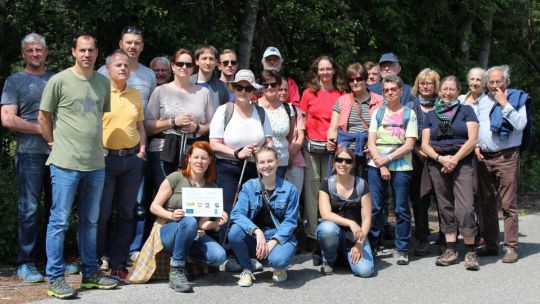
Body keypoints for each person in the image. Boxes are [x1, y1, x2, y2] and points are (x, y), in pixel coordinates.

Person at [38, 34, 117, 299]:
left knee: (90, 222)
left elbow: (99, 117)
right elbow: (43, 116)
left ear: (97, 53)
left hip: (95, 163)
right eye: (82, 50)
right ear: (73, 52)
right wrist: (51, 141)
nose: (87, 54)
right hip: (64, 163)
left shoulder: (103, 82)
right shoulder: (58, 80)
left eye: (91, 50)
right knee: (59, 222)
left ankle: (91, 274)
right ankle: (56, 279)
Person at [128, 141, 227, 292]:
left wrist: (217, 223)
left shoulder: (211, 188)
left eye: (204, 158)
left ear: (210, 160)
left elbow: (201, 225)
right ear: (189, 159)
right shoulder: (176, 177)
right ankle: (176, 270)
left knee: (219, 256)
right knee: (188, 221)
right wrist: (171, 214)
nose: (199, 161)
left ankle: (187, 258)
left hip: (193, 231)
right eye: (196, 157)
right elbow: (153, 206)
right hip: (167, 228)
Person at [0, 33, 55, 283]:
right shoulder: (15, 81)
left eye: (39, 50)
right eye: (30, 50)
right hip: (29, 155)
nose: (35, 54)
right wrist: (41, 130)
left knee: (57, 210)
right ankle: (26, 263)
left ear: (46, 53)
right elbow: (7, 119)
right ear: (23, 54)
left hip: (59, 155)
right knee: (30, 209)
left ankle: (54, 261)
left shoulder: (56, 79)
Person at [96, 49, 146, 282]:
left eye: (126, 65)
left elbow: (140, 125)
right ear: (108, 69)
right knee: (102, 214)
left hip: (132, 160)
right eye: (118, 65)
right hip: (106, 160)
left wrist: (143, 148)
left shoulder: (135, 94)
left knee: (127, 214)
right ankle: (96, 260)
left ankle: (118, 262)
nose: (123, 68)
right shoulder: (100, 92)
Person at [421, 76, 480, 271]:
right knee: (445, 206)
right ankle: (451, 249)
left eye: (452, 89)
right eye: (444, 89)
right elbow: (424, 144)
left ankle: (470, 251)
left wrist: (454, 159)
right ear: (439, 91)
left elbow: (472, 140)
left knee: (466, 206)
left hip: (462, 161)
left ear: (458, 91)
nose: (447, 92)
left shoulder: (466, 110)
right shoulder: (430, 115)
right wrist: (440, 159)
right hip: (438, 162)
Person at [209, 69, 273, 241]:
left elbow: (269, 141)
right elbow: (214, 143)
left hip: (254, 168)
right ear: (233, 89)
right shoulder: (224, 110)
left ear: (253, 91)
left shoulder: (260, 112)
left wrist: (259, 152)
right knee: (228, 209)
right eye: (239, 87)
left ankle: (251, 249)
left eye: (248, 88)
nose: (243, 92)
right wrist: (237, 153)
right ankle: (227, 249)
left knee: (253, 208)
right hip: (227, 167)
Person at [475, 65, 528, 263]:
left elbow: (521, 124)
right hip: (484, 158)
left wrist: (504, 104)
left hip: (506, 157)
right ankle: (491, 244)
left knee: (508, 204)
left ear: (506, 82)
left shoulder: (516, 98)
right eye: (491, 82)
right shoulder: (482, 101)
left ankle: (511, 247)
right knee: (487, 203)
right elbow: (478, 126)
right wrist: (476, 146)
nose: (495, 85)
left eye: (499, 81)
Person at [228, 146, 299, 286]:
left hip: (279, 235)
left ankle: (278, 266)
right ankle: (247, 268)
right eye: (262, 162)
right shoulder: (249, 186)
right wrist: (256, 230)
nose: (266, 166)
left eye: (270, 161)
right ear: (257, 165)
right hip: (255, 237)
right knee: (235, 231)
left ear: (277, 162)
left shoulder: (290, 189)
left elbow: (290, 222)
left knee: (278, 260)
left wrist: (273, 242)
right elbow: (236, 213)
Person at [367, 75, 417, 265]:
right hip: (376, 164)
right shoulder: (378, 114)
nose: (389, 93)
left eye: (393, 89)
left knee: (401, 208)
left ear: (400, 91)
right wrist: (381, 164)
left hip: (401, 165)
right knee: (375, 208)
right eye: (386, 90)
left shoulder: (409, 114)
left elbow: (409, 145)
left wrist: (386, 160)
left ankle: (402, 248)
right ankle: (373, 244)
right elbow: (371, 142)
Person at [145, 48, 213, 185]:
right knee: (165, 194)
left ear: (193, 68)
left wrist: (196, 127)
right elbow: (148, 126)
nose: (184, 67)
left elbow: (211, 126)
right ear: (173, 65)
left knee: (187, 194)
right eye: (180, 64)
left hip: (192, 152)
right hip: (162, 150)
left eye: (188, 65)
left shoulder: (204, 93)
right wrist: (173, 122)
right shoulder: (160, 91)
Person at [299, 55, 346, 242]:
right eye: (321, 69)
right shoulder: (309, 93)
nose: (325, 72)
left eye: (328, 68)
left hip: (332, 150)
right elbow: (302, 120)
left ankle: (331, 231)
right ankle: (312, 232)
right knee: (312, 190)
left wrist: (337, 143)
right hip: (311, 147)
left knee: (331, 190)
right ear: (316, 71)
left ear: (334, 70)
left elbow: (344, 124)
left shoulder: (341, 94)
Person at [316, 147, 374, 277]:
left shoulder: (362, 184)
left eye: (348, 161)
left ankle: (346, 256)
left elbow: (367, 219)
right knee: (327, 228)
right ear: (334, 162)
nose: (343, 164)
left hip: (355, 236)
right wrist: (350, 223)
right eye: (339, 160)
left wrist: (359, 244)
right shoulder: (326, 184)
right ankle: (329, 259)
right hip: (333, 232)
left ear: (353, 164)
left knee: (365, 271)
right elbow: (325, 214)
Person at [405, 68, 441, 256]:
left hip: (440, 158)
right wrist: (419, 151)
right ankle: (421, 236)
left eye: (429, 83)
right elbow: (405, 133)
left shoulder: (443, 105)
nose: (425, 86)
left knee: (443, 199)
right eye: (422, 83)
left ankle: (446, 236)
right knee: (419, 200)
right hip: (417, 159)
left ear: (436, 86)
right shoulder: (411, 106)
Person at [327, 63, 383, 178]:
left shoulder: (381, 101)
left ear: (365, 79)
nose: (355, 82)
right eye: (351, 80)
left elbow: (385, 129)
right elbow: (333, 129)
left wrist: (374, 145)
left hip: (371, 151)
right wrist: (330, 142)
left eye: (359, 79)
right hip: (346, 153)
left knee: (368, 190)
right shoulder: (341, 101)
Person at [97, 26, 156, 110]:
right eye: (129, 42)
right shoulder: (105, 71)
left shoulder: (150, 75)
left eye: (137, 43)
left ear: (142, 46)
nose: (133, 46)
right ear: (121, 44)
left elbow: (152, 109)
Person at [257, 70, 295, 179]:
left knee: (278, 193)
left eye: (273, 84)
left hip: (281, 160)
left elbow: (290, 135)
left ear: (278, 85)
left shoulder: (288, 108)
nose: (269, 87)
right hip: (259, 161)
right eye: (266, 85)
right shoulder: (254, 106)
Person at [279, 77, 306, 194]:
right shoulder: (266, 110)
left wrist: (289, 156)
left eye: (285, 89)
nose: (283, 92)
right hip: (276, 162)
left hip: (295, 160)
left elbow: (301, 136)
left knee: (295, 196)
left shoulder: (295, 110)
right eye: (280, 89)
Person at [190, 45, 229, 111]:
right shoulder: (187, 82)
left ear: (216, 62)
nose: (208, 63)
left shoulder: (222, 87)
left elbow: (225, 112)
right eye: (204, 58)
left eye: (211, 59)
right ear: (197, 61)